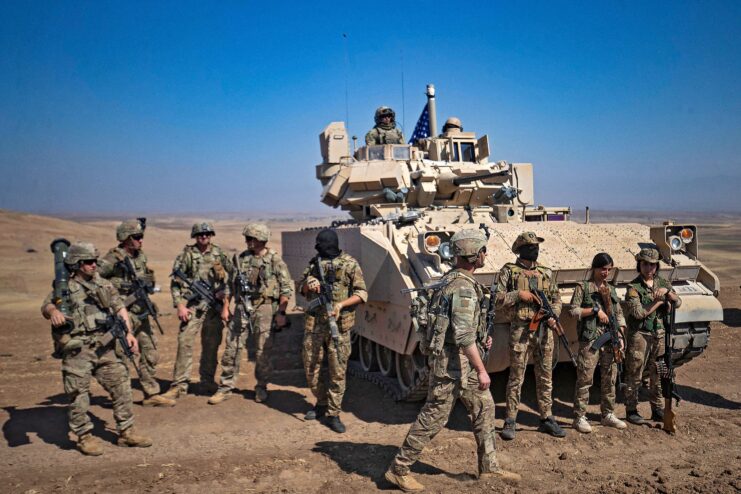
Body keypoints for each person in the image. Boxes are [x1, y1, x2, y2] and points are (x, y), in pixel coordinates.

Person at [385, 229, 520, 492]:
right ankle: (398, 469)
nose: (485, 255)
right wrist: (482, 370)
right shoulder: (463, 288)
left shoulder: (453, 280)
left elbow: (464, 330)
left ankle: (489, 467)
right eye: (483, 250)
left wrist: (483, 341)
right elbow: (462, 336)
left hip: (462, 364)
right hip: (452, 366)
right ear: (474, 254)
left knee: (484, 407)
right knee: (434, 416)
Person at [41, 242, 152, 455]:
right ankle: (84, 436)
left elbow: (120, 308)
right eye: (89, 262)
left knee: (122, 386)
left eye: (95, 261)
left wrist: (129, 334)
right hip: (78, 349)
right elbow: (46, 306)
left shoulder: (104, 284)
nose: (94, 265)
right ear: (77, 264)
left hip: (105, 346)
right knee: (78, 394)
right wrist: (53, 311)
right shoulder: (65, 287)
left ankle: (126, 432)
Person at [208, 223, 293, 405]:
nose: (247, 242)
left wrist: (281, 312)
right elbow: (230, 285)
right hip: (241, 308)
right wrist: (225, 307)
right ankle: (225, 387)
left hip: (265, 309)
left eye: (250, 239)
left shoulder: (274, 261)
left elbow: (286, 288)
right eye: (247, 238)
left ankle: (261, 386)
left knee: (263, 351)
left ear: (260, 240)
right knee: (232, 347)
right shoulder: (242, 259)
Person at [494, 231, 565, 440]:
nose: (535, 249)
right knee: (517, 376)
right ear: (520, 249)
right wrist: (519, 295)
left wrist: (554, 316)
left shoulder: (546, 272)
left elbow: (556, 299)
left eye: (536, 246)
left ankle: (547, 418)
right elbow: (497, 299)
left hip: (544, 330)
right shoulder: (509, 271)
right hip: (521, 330)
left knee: (546, 376)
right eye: (530, 246)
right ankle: (511, 419)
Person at [98, 219, 175, 407]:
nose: (141, 240)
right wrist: (118, 287)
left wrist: (148, 282)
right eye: (137, 237)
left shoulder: (140, 257)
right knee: (123, 357)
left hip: (141, 313)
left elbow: (147, 278)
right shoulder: (112, 259)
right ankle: (121, 398)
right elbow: (95, 281)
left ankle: (151, 394)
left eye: (141, 237)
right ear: (125, 238)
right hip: (124, 315)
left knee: (150, 353)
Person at [299, 229, 366, 433]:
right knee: (311, 367)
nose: (322, 249)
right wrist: (309, 284)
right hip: (315, 325)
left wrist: (340, 305)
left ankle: (333, 412)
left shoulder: (349, 264)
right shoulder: (314, 264)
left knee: (338, 372)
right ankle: (320, 402)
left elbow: (362, 293)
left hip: (339, 326)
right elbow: (300, 289)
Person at [161, 222, 231, 400]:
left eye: (207, 234)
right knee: (184, 344)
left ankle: (207, 381)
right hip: (192, 308)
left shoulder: (219, 254)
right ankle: (179, 385)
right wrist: (180, 305)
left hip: (213, 309)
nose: (204, 237)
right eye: (200, 234)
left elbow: (234, 277)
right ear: (195, 236)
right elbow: (175, 283)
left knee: (211, 345)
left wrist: (225, 295)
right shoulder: (187, 255)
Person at [569, 253, 627, 433]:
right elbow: (573, 311)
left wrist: (621, 334)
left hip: (611, 338)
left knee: (610, 377)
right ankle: (579, 417)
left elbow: (618, 314)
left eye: (609, 269)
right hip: (591, 340)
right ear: (594, 268)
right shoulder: (584, 288)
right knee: (585, 379)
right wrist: (594, 311)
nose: (606, 273)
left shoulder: (611, 289)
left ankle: (608, 414)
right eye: (603, 269)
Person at [623, 247, 681, 425]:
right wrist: (658, 302)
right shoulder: (633, 287)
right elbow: (638, 313)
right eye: (645, 264)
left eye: (653, 265)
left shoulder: (663, 283)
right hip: (640, 335)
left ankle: (657, 408)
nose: (649, 268)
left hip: (659, 334)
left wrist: (668, 293)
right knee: (635, 373)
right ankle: (631, 410)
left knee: (658, 373)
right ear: (639, 265)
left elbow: (677, 302)